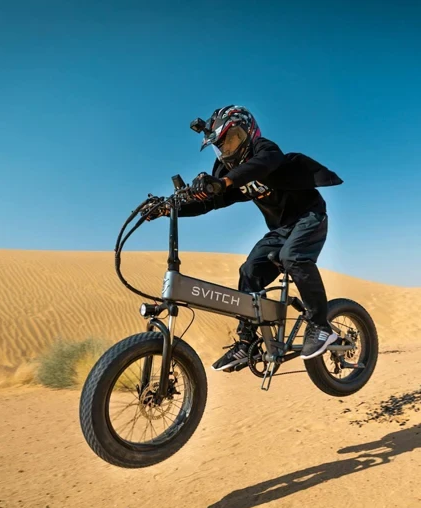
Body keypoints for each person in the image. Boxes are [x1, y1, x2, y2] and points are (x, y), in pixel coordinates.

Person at [147, 105, 343, 372]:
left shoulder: (265, 150)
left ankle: (321, 326)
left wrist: (224, 182)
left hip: (309, 217)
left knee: (293, 257)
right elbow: (209, 202)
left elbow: (263, 165)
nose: (227, 148)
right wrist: (169, 208)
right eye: (221, 145)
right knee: (250, 271)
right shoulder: (229, 172)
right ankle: (247, 341)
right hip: (281, 229)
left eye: (232, 139)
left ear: (248, 132)